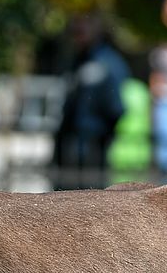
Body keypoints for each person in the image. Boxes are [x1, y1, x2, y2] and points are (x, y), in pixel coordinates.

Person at [52, 13, 131, 189]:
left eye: (84, 25)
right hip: (72, 148)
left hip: (92, 148)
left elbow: (116, 108)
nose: (78, 33)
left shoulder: (107, 62)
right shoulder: (78, 60)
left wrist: (98, 134)